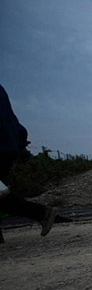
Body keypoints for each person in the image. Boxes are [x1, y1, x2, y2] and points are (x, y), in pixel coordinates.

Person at [0, 84, 58, 244]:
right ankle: (42, 214)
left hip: (4, 144)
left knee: (2, 196)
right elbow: (13, 121)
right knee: (1, 195)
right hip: (8, 145)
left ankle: (42, 213)